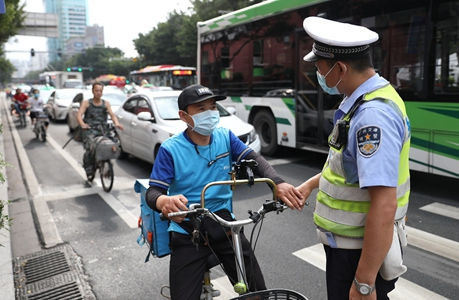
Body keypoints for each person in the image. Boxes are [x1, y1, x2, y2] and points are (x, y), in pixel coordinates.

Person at [145, 84, 304, 300]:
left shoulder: (225, 137)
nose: (210, 113)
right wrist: (164, 201)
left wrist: (277, 183)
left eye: (212, 107)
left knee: (257, 293)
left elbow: (255, 159)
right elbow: (153, 191)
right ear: (184, 116)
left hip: (224, 224)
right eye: (201, 109)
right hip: (188, 230)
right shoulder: (170, 149)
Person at [296, 17, 411, 299]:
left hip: (356, 253)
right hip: (349, 247)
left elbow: (384, 205)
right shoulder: (365, 100)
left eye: (319, 67)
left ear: (341, 68)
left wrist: (364, 283)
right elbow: (350, 168)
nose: (317, 74)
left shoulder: (372, 116)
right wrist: (311, 184)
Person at [76, 82, 123, 179]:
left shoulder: (106, 103)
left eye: (100, 91)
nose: (98, 92)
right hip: (90, 130)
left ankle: (107, 166)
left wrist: (117, 123)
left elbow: (112, 115)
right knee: (90, 148)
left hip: (103, 130)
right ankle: (89, 167)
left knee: (112, 145)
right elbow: (79, 115)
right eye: (96, 90)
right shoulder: (86, 103)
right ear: (92, 91)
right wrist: (82, 124)